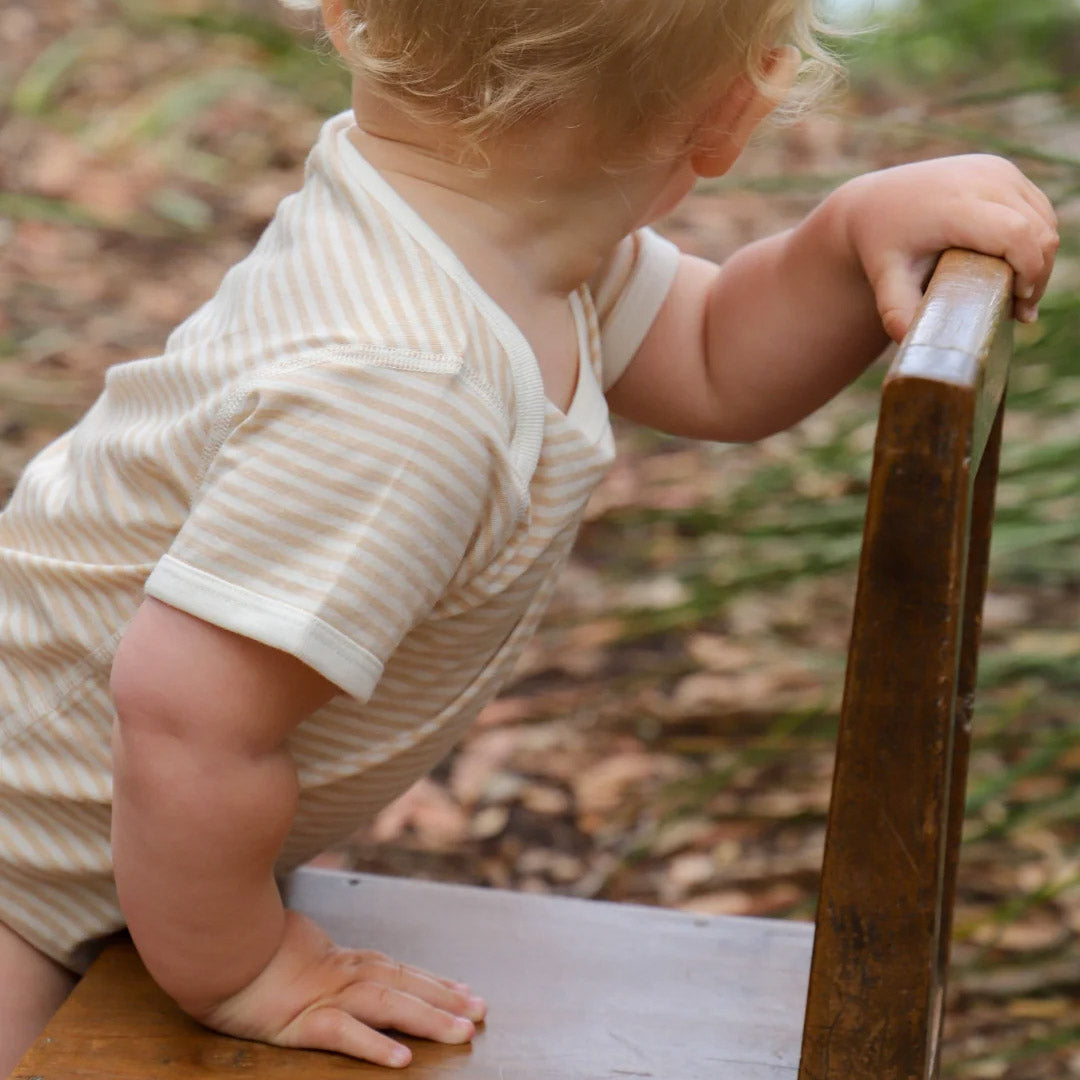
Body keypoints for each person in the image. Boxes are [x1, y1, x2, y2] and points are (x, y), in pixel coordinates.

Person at [0, 0, 1057, 1071]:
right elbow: (183, 718)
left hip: (117, 854)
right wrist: (245, 970)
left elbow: (708, 355)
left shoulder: (502, 245)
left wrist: (842, 238)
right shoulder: (406, 388)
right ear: (737, 109)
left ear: (349, 14)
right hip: (20, 885)